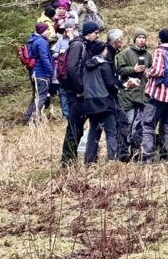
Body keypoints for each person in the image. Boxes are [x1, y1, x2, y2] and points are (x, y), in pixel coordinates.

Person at [60, 19, 100, 166]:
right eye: (96, 33)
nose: (97, 36)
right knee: (74, 127)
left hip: (80, 94)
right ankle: (67, 160)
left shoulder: (83, 45)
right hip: (75, 94)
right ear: (90, 32)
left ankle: (71, 159)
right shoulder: (78, 46)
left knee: (78, 128)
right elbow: (71, 68)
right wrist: (80, 89)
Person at [141, 29, 168, 162]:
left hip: (158, 95)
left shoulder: (160, 51)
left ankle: (147, 156)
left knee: (148, 125)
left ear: (160, 38)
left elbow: (158, 71)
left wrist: (148, 72)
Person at [81, 37, 120, 163]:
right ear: (103, 51)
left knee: (94, 130)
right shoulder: (104, 65)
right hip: (105, 102)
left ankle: (90, 159)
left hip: (89, 102)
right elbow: (110, 84)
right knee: (110, 131)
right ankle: (112, 159)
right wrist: (119, 88)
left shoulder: (86, 66)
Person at [113, 28, 149, 162]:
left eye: (144, 37)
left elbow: (151, 70)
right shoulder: (125, 53)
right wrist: (133, 69)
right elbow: (119, 70)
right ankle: (122, 154)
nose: (142, 40)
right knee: (125, 125)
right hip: (127, 95)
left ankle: (136, 152)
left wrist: (148, 72)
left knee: (139, 126)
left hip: (142, 95)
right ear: (134, 39)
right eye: (139, 37)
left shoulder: (148, 55)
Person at [24, 23, 55, 124]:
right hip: (41, 73)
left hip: (33, 72)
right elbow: (44, 58)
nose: (49, 32)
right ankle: (33, 119)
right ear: (43, 31)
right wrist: (51, 71)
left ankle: (28, 117)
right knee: (42, 96)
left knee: (36, 96)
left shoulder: (32, 40)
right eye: (48, 30)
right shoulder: (41, 42)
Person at [51, 17, 75, 119]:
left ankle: (73, 113)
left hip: (72, 70)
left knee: (72, 93)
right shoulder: (61, 39)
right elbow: (54, 53)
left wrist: (71, 38)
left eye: (70, 27)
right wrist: (60, 53)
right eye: (66, 28)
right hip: (61, 70)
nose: (68, 30)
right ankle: (65, 114)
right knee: (62, 93)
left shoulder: (78, 38)